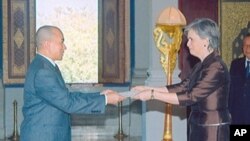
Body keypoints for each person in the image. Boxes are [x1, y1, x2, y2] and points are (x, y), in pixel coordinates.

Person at [131, 18, 231, 141]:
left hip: (212, 129)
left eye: (191, 39)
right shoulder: (201, 65)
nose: (187, 44)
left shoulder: (216, 66)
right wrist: (148, 88)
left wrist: (152, 94)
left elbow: (191, 96)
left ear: (205, 41)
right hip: (198, 126)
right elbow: (182, 86)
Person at [20, 25, 125, 141]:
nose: (64, 47)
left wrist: (100, 95)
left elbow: (66, 96)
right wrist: (105, 100)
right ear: (47, 44)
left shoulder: (45, 66)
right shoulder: (43, 71)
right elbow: (68, 103)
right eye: (61, 42)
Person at [229, 33, 250, 125]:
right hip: (237, 116)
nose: (248, 48)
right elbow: (230, 90)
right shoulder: (235, 64)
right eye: (245, 45)